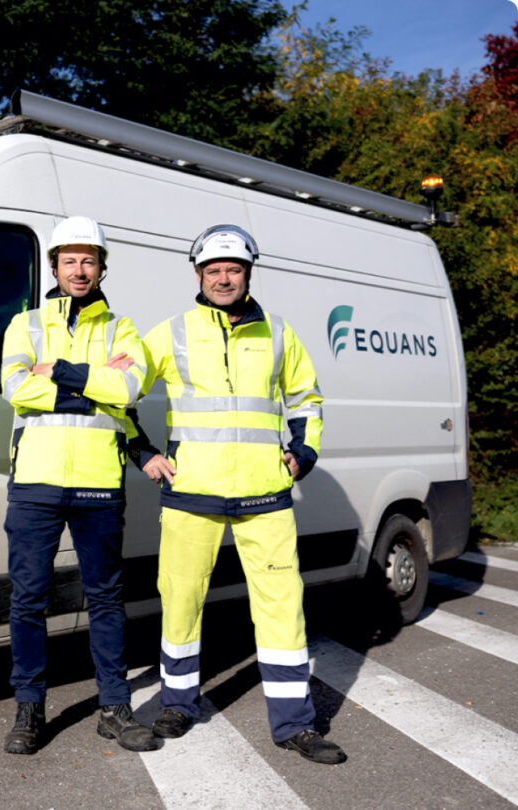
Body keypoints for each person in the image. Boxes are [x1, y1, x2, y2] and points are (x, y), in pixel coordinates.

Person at [130, 224, 347, 765]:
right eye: (213, 271)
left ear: (247, 273)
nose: (223, 279)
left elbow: (306, 397)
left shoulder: (277, 332)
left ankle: (295, 725)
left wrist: (305, 450)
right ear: (199, 275)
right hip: (191, 492)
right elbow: (118, 391)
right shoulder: (173, 331)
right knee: (181, 601)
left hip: (264, 494)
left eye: (233, 270)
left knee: (282, 609)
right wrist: (142, 453)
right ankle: (179, 704)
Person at [0, 215, 155, 755]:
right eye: (70, 260)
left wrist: (59, 371)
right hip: (36, 482)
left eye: (89, 260)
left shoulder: (123, 329)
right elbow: (15, 388)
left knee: (107, 599)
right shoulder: (25, 324)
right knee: (28, 600)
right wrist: (94, 383)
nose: (80, 270)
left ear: (102, 266)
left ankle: (114, 707)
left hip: (98, 483)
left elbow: (130, 386)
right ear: (55, 266)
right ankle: (29, 709)